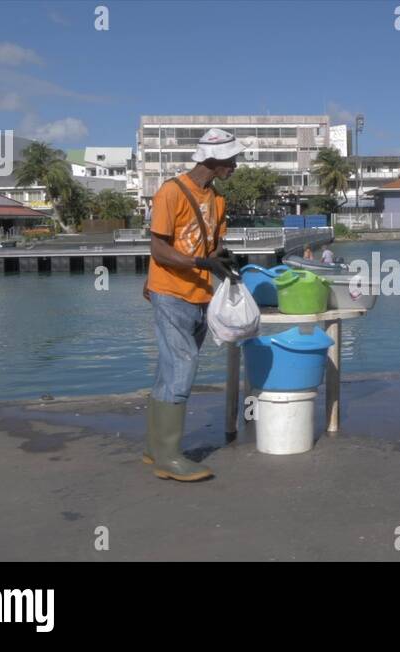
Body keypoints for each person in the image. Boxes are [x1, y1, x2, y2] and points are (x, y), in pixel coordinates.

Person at [143, 128, 242, 482]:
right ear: (213, 160)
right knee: (183, 366)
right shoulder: (171, 192)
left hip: (200, 295)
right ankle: (168, 458)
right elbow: (159, 250)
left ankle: (155, 448)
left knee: (169, 369)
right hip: (171, 292)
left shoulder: (217, 201)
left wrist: (221, 259)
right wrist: (202, 264)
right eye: (232, 159)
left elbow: (209, 249)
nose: (236, 165)